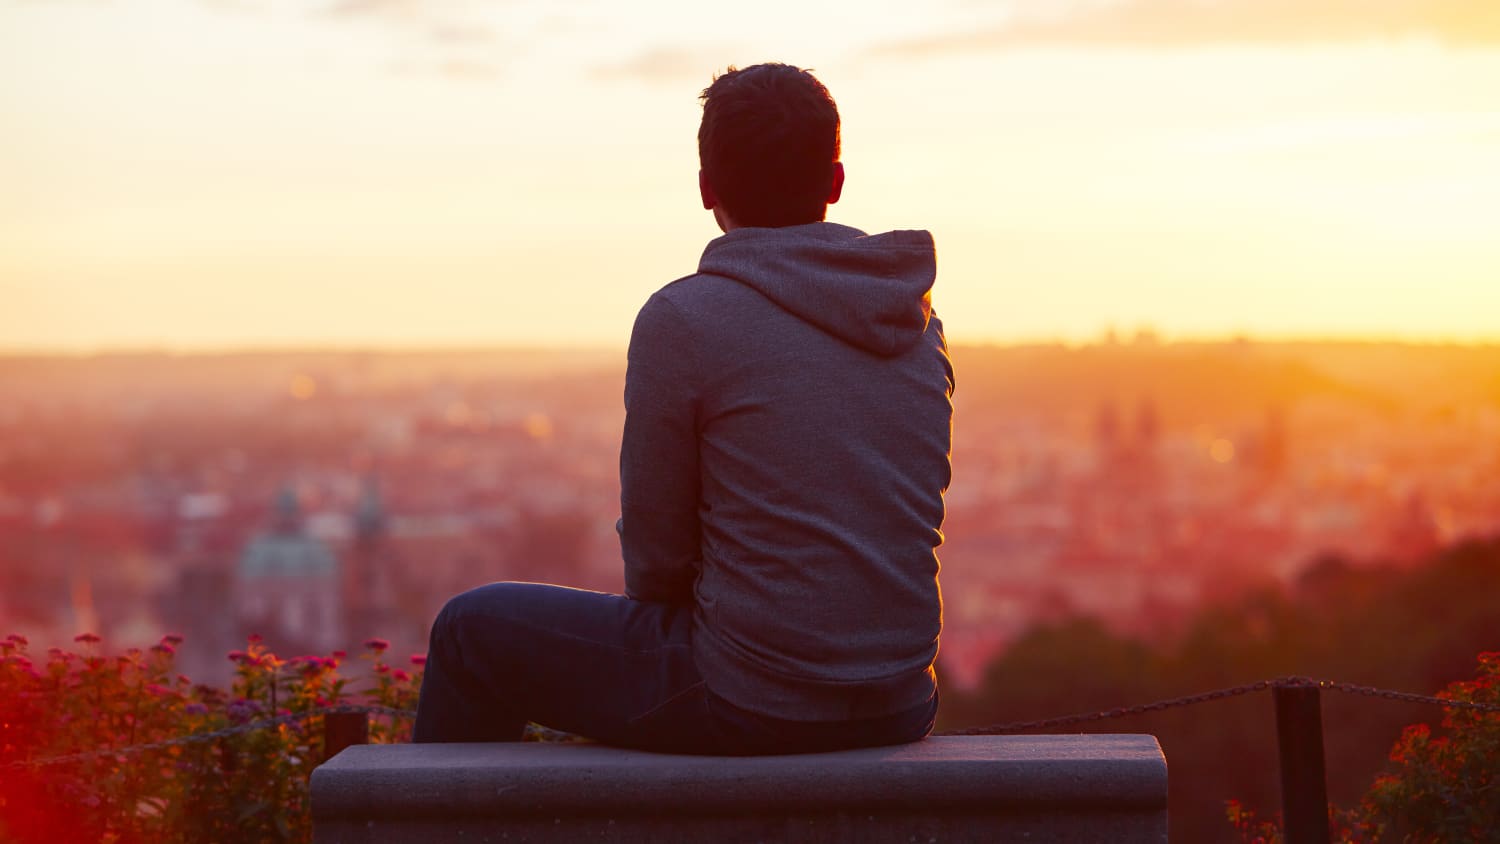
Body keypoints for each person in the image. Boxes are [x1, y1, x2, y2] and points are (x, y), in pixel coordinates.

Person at [413, 62, 954, 754]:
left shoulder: (685, 319)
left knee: (470, 629)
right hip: (902, 701)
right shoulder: (914, 318)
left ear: (706, 190)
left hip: (753, 698)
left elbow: (658, 555)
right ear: (836, 181)